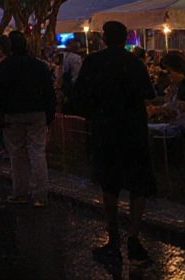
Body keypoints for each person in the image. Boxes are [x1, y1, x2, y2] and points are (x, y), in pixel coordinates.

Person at [70, 21, 157, 267]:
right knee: (138, 184)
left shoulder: (93, 62)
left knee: (109, 185)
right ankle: (134, 237)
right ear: (125, 38)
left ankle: (114, 239)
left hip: (105, 128)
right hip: (134, 129)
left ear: (104, 38)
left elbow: (79, 96)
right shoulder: (134, 63)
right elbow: (148, 93)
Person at [0, 30, 56, 206]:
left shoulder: (5, 67)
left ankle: (20, 191)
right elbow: (49, 91)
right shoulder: (39, 66)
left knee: (17, 154)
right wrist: (49, 114)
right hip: (37, 112)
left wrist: (2, 111)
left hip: (13, 113)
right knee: (37, 152)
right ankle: (40, 195)